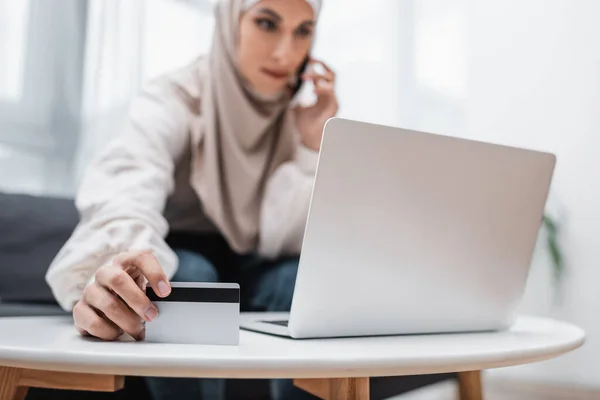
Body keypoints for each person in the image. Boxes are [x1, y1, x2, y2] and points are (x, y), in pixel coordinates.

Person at [45, 0, 337, 398]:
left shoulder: (304, 117)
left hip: (257, 263)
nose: (285, 52)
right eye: (267, 23)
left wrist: (308, 147)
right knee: (189, 283)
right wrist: (121, 266)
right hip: (179, 254)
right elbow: (128, 183)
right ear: (230, 19)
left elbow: (279, 240)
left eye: (303, 31)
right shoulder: (178, 96)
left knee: (301, 281)